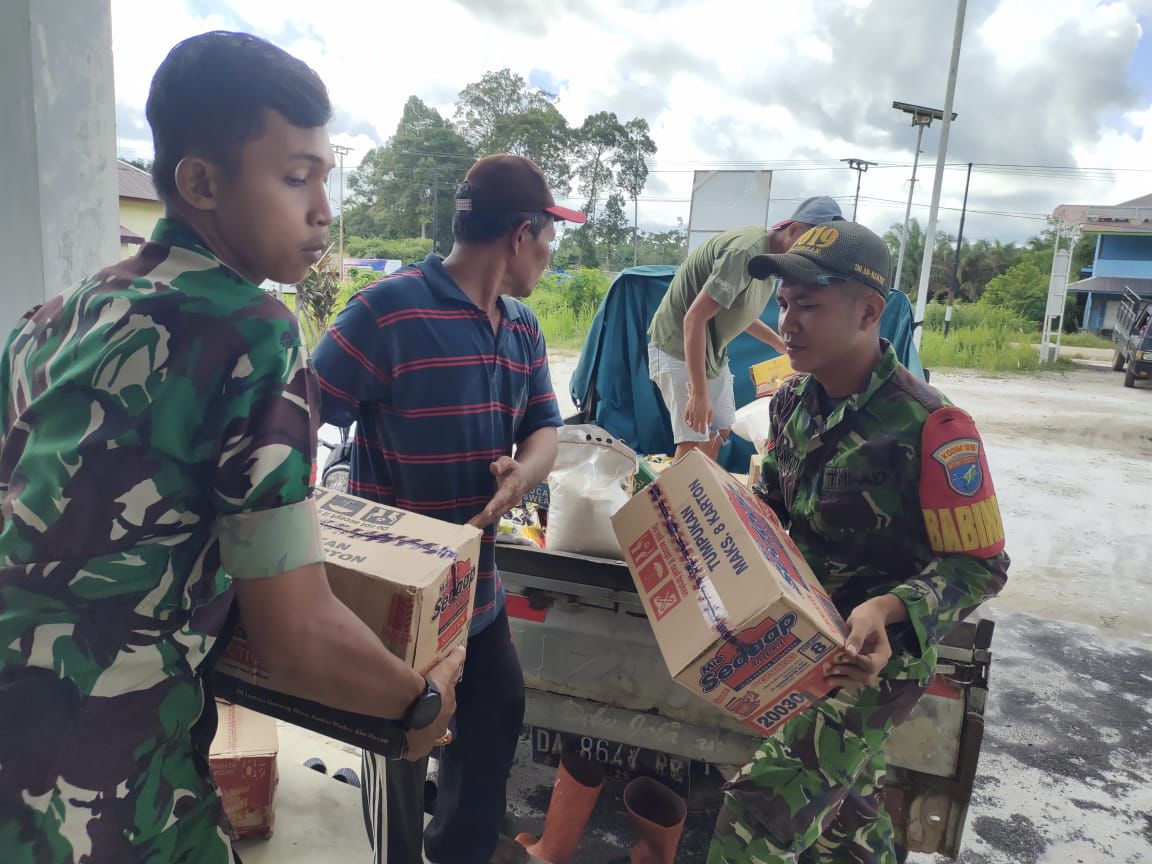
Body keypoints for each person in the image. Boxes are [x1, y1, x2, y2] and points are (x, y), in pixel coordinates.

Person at [0, 32, 462, 864]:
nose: (324, 209)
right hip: (101, 782)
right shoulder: (250, 331)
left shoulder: (50, 319)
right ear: (200, 183)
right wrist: (420, 704)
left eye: (327, 176)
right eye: (295, 178)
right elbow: (297, 634)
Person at [707, 221, 1010, 863]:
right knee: (845, 818)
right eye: (783, 305)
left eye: (808, 306)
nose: (787, 323)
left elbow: (981, 566)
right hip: (807, 641)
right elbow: (777, 510)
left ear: (870, 311)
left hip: (877, 661)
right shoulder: (792, 403)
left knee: (760, 811)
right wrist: (711, 514)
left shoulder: (933, 425)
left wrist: (888, 609)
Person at [312, 154, 577, 864]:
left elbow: (546, 429)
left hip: (478, 595)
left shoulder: (521, 327)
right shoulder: (385, 311)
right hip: (397, 605)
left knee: (495, 717)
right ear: (520, 235)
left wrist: (524, 473)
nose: (550, 257)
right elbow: (299, 415)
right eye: (549, 239)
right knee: (398, 745)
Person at [647, 196, 844, 460]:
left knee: (722, 429)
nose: (810, 255)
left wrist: (779, 345)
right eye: (809, 245)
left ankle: (702, 492)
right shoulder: (745, 252)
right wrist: (697, 392)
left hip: (711, 353)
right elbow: (693, 318)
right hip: (678, 346)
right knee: (694, 437)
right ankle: (678, 498)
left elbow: (742, 313)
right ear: (794, 230)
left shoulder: (771, 264)